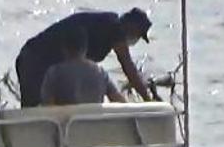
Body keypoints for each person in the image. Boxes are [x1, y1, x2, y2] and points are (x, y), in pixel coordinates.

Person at [16, 7, 153, 107]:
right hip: (34, 58)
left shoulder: (108, 28)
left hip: (48, 62)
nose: (134, 40)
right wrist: (148, 99)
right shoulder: (115, 27)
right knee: (33, 109)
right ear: (130, 25)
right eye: (137, 34)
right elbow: (128, 67)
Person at [40, 27, 126, 106]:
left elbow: (48, 107)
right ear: (85, 48)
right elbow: (120, 102)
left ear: (63, 48)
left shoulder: (54, 72)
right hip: (94, 121)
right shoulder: (100, 73)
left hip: (67, 122)